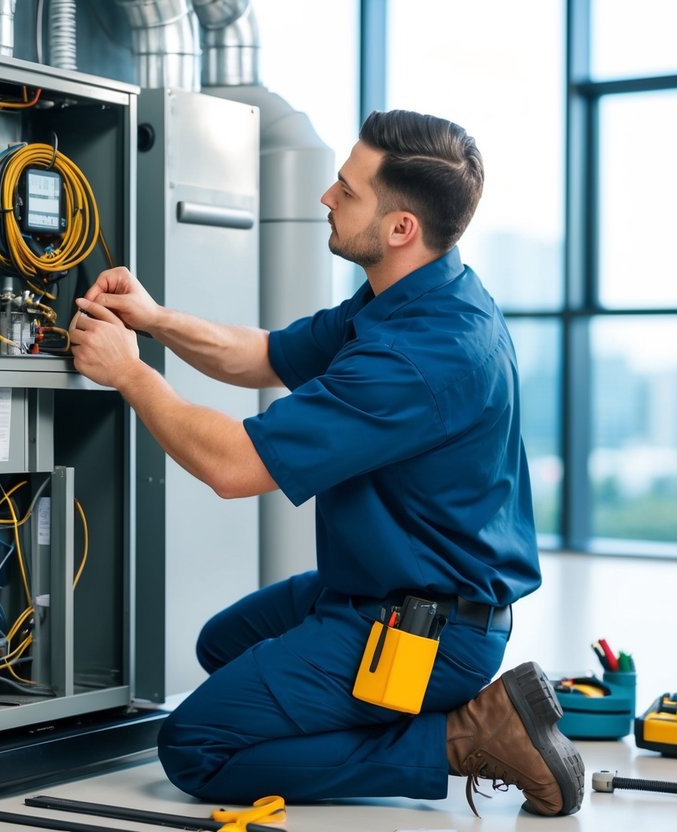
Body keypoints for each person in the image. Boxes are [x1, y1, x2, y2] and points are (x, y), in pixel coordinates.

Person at [68, 109, 584, 816]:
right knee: (224, 644)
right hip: (382, 586)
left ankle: (460, 737)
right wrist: (155, 320)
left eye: (346, 189)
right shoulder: (412, 296)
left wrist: (131, 375)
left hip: (424, 632)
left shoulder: (416, 358)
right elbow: (263, 354)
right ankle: (409, 720)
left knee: (195, 747)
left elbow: (234, 467)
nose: (324, 199)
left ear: (400, 228)